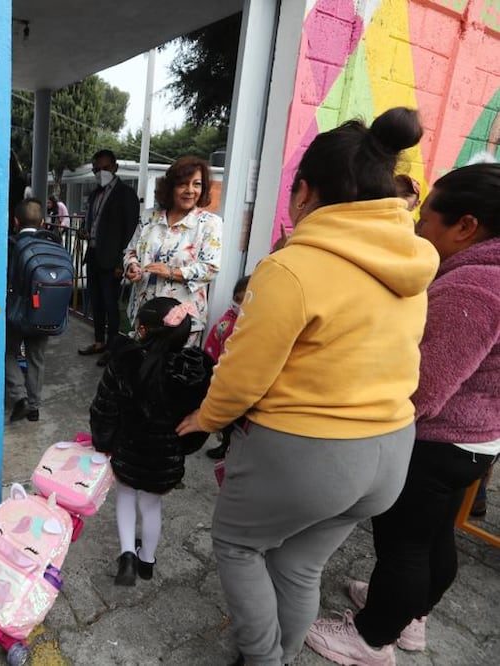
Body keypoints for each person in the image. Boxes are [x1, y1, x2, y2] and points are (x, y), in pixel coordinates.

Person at [176, 107, 439, 666]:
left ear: (303, 192)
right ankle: (284, 654)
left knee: (238, 544)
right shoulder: (414, 262)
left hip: (310, 455)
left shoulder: (292, 268)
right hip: (392, 451)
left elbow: (243, 375)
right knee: (299, 563)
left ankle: (263, 658)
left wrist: (206, 417)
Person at [306, 162, 500, 666]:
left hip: (438, 439)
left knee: (404, 546)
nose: (418, 228)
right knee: (433, 536)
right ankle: (412, 617)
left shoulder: (474, 287)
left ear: (466, 226)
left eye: (426, 219)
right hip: (475, 440)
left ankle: (371, 639)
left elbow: (424, 386)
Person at [90, 297, 214, 586]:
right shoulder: (197, 369)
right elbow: (201, 419)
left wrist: (102, 442)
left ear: (143, 329)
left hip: (127, 450)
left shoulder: (125, 359)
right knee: (151, 505)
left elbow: (104, 407)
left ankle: (126, 557)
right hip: (165, 459)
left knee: (125, 496)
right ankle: (147, 561)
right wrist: (183, 448)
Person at [123, 158, 223, 347]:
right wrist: (132, 266)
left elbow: (210, 269)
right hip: (145, 311)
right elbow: (131, 251)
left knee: (173, 365)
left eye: (197, 184)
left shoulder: (210, 224)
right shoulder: (149, 216)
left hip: (181, 320)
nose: (190, 190)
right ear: (170, 187)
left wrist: (170, 272)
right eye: (183, 184)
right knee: (142, 361)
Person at [78, 149, 140, 359]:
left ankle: (112, 349)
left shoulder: (126, 194)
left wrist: (121, 262)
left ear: (115, 167)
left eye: (105, 168)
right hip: (93, 255)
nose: (100, 173)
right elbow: (92, 221)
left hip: (112, 260)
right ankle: (99, 342)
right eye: (96, 169)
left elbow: (130, 231)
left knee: (110, 304)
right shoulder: (95, 193)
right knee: (95, 301)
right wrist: (85, 231)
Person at [5, 197, 60, 423]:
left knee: (8, 352)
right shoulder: (53, 244)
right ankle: (34, 408)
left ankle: (20, 397)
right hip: (44, 311)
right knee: (37, 358)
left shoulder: (11, 245)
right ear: (43, 222)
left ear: (16, 221)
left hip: (16, 312)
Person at [202, 275, 250, 460]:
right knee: (228, 419)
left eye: (244, 300)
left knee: (241, 420)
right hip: (224, 376)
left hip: (244, 381)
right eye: (237, 299)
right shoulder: (227, 320)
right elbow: (213, 343)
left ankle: (234, 449)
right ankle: (225, 445)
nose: (239, 305)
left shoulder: (255, 325)